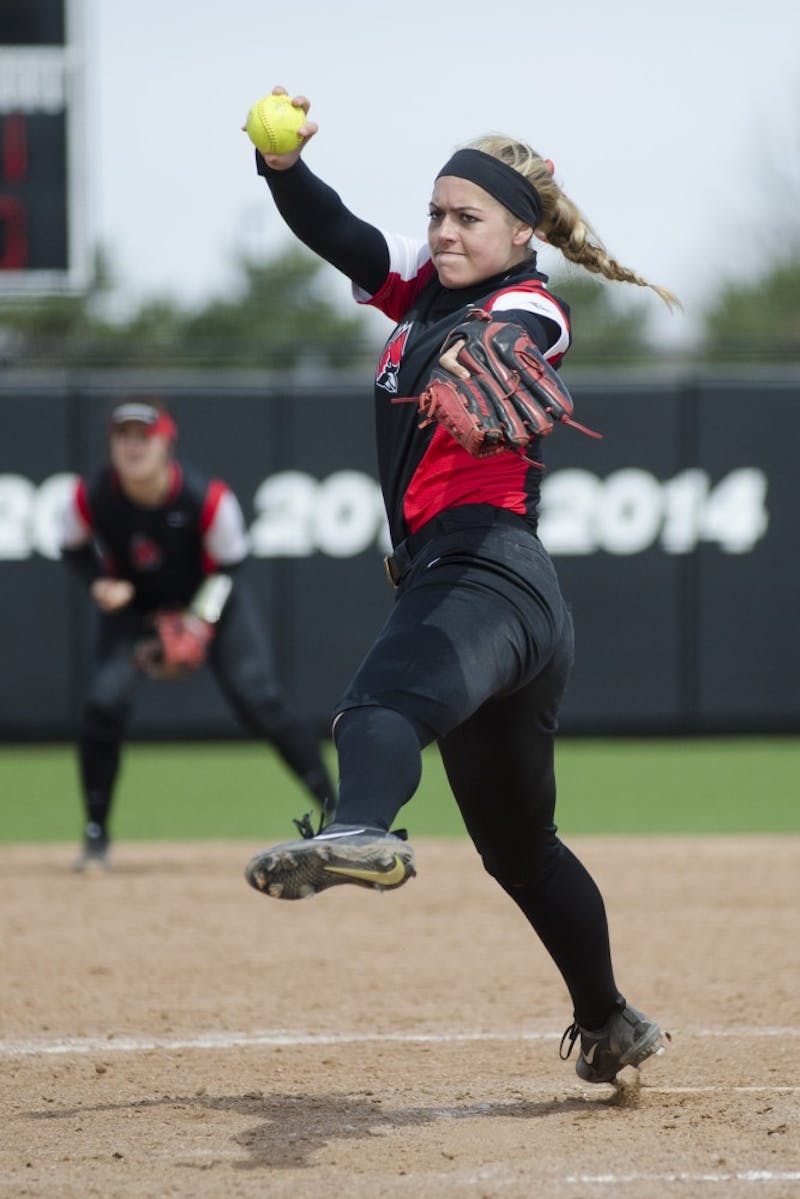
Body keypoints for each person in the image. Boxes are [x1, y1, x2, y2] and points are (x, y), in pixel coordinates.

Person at [243, 87, 679, 1086]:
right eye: (435, 212)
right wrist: (282, 169)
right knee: (520, 851)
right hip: (493, 599)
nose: (442, 229)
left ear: (519, 230)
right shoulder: (419, 288)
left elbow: (524, 338)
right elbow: (341, 234)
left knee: (378, 703)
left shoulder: (521, 301)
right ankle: (608, 1019)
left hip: (483, 568)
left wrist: (486, 359)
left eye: (465, 216)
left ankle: (358, 828)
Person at [60, 397, 335, 870]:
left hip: (211, 602)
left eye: (143, 437)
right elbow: (73, 548)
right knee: (102, 704)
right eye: (123, 437)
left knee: (261, 702)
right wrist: (99, 584)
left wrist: (197, 623)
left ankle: (340, 813)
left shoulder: (204, 497)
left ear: (166, 442)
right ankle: (95, 835)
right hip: (136, 612)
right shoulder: (93, 495)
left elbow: (230, 566)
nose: (133, 446)